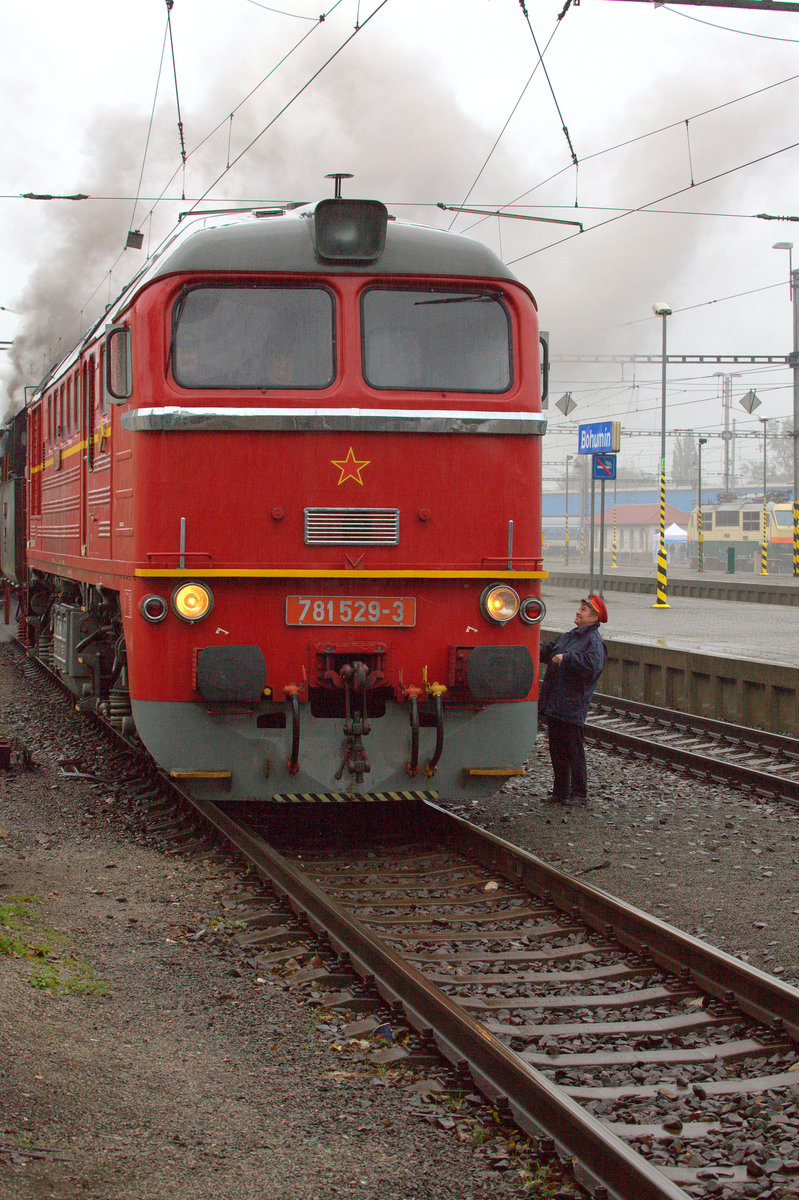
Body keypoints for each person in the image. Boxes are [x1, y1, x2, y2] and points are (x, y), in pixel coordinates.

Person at [538, 594, 608, 805]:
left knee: (574, 751)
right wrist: (531, 643)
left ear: (594, 618)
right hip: (555, 704)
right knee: (557, 750)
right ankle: (560, 792)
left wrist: (567, 659)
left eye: (584, 610)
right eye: (580, 608)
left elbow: (592, 666)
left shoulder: (594, 642)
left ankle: (579, 794)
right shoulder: (570, 636)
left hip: (571, 705)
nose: (578, 612)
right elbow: (549, 650)